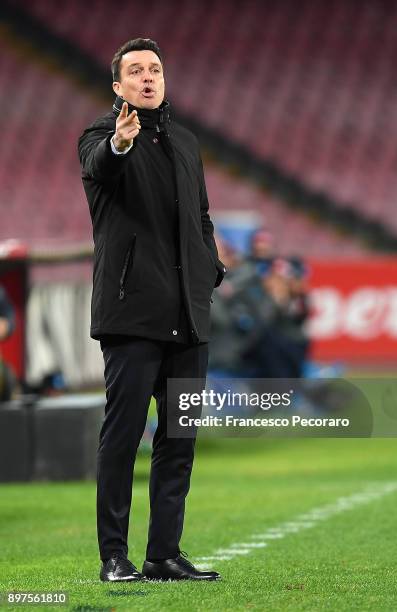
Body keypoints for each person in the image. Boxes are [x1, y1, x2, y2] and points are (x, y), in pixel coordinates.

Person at [78, 38, 226, 582]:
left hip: (189, 319)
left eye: (156, 69)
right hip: (133, 315)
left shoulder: (186, 141)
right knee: (121, 439)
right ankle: (113, 557)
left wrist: (210, 268)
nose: (148, 77)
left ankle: (164, 553)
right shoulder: (101, 136)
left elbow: (202, 216)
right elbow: (102, 166)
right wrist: (119, 144)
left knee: (179, 437)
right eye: (136, 71)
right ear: (118, 86)